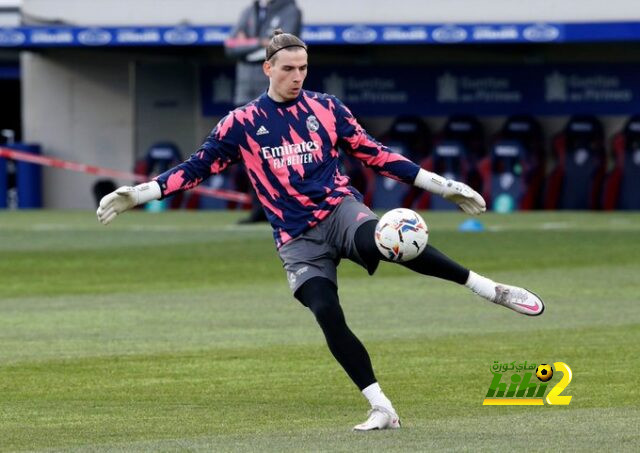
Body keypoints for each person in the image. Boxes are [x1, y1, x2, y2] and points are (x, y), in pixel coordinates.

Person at [97, 30, 545, 431]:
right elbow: (197, 167)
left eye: (303, 67)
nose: (297, 76)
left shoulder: (326, 109)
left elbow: (376, 153)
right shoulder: (241, 123)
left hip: (339, 211)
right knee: (326, 312)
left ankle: (489, 288)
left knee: (392, 240)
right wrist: (139, 193)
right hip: (296, 239)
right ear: (267, 68)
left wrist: (441, 186)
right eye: (288, 68)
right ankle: (382, 408)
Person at [224, 0, 303, 223]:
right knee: (251, 152)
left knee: (282, 150)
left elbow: (282, 48)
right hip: (244, 92)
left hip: (274, 92)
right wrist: (259, 44)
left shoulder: (290, 10)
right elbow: (230, 47)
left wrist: (247, 46)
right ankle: (261, 207)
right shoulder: (249, 11)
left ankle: (289, 206)